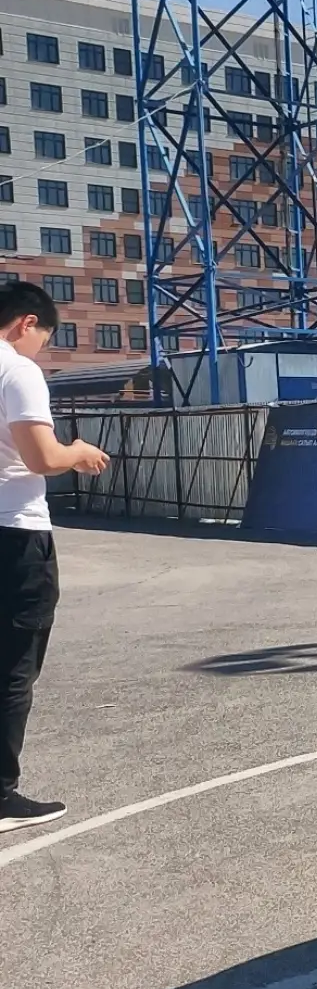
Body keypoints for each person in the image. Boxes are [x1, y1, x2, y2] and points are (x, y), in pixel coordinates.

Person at [0, 282, 109, 833]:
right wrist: (79, 452)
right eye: (44, 336)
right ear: (26, 323)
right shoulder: (17, 371)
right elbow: (41, 457)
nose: (41, 347)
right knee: (14, 664)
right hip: (14, 535)